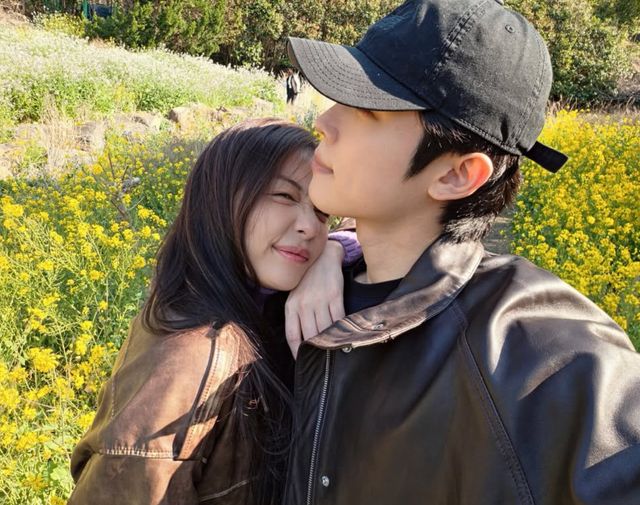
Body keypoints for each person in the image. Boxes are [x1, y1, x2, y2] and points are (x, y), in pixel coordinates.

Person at [281, 1, 640, 504]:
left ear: (455, 175)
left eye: (367, 110)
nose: (324, 120)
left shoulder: (529, 346)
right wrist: (330, 252)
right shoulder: (292, 268)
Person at [67, 118, 361, 505]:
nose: (309, 226)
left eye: (322, 212)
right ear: (219, 199)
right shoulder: (190, 359)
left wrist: (334, 250)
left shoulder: (240, 300)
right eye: (284, 196)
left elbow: (367, 222)